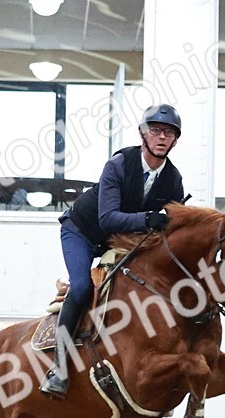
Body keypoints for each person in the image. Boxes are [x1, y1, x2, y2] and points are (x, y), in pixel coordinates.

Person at [41, 103, 187, 399]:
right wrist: (147, 219)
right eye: (156, 130)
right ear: (143, 134)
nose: (162, 137)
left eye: (169, 133)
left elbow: (170, 229)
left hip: (121, 242)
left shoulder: (173, 179)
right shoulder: (119, 165)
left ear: (174, 140)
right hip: (83, 231)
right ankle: (59, 368)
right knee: (81, 287)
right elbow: (107, 218)